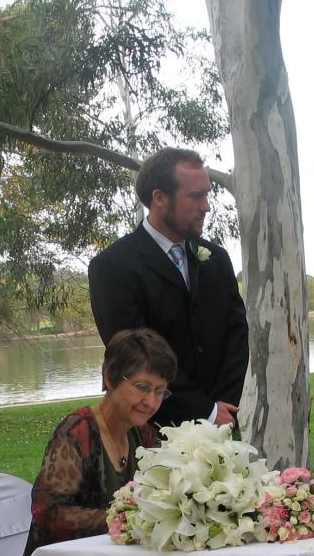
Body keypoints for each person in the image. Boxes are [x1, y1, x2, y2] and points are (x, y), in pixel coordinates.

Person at [8, 328, 177, 556]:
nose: (151, 402)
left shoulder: (145, 435)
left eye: (160, 391)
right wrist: (127, 520)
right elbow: (49, 516)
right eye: (142, 387)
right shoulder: (76, 434)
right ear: (110, 378)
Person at [88, 147, 248, 427]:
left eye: (207, 195)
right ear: (159, 198)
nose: (206, 206)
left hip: (222, 423)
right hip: (151, 429)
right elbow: (133, 357)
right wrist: (205, 410)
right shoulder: (112, 267)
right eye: (196, 196)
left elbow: (237, 335)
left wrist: (222, 409)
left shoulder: (217, 259)